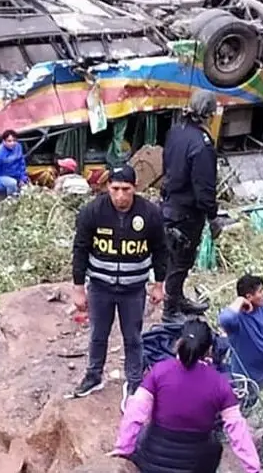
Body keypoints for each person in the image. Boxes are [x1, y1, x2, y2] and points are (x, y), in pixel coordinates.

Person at [70, 164, 168, 410]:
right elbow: (80, 249)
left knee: (133, 337)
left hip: (134, 289)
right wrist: (78, 287)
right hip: (100, 287)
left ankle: (134, 381)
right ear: (107, 187)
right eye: (115, 189)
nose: (120, 196)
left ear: (135, 188)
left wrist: (159, 284)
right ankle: (93, 376)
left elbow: (160, 250)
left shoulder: (150, 213)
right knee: (97, 335)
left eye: (126, 189)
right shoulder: (92, 212)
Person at [108, 319, 262, 473]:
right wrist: (253, 468)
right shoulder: (220, 384)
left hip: (151, 462)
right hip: (195, 465)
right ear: (209, 350)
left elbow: (135, 412)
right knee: (215, 445)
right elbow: (238, 431)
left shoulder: (159, 371)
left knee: (144, 432)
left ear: (179, 342)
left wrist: (123, 449)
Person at [160, 89, 224, 323]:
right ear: (209, 115)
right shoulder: (202, 145)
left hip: (170, 204)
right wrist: (213, 216)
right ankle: (171, 310)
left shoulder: (176, 133)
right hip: (187, 212)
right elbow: (204, 186)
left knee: (175, 259)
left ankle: (177, 299)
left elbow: (166, 165)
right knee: (181, 261)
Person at [218, 274, 263, 425]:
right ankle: (230, 433)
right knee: (244, 408)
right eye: (260, 291)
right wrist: (239, 301)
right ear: (248, 296)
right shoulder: (236, 319)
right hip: (248, 373)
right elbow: (224, 319)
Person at [0, 129, 28, 197]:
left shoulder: (18, 147)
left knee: (27, 187)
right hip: (2, 176)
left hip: (16, 174)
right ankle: (12, 200)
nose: (12, 143)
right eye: (9, 141)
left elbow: (21, 163)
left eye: (14, 140)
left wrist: (23, 178)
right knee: (12, 183)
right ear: (4, 141)